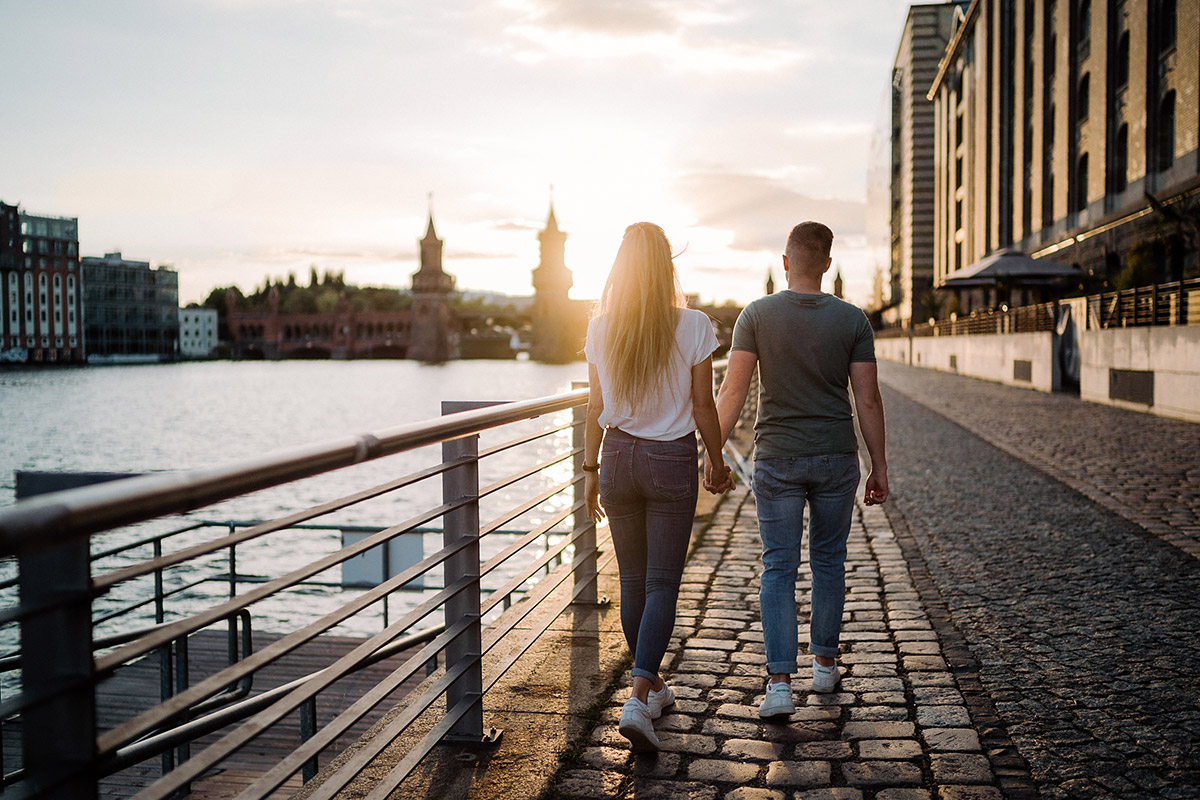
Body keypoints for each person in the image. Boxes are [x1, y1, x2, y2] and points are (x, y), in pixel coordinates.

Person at [712, 220, 888, 719]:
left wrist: (712, 454)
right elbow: (868, 399)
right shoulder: (853, 320)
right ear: (827, 266)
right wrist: (879, 465)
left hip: (778, 456)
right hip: (836, 456)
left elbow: (732, 392)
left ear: (785, 262)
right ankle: (826, 666)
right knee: (830, 562)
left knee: (779, 567)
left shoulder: (756, 315)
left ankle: (780, 685)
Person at [584, 222, 732, 752]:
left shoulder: (602, 328)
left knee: (632, 581)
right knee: (662, 584)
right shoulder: (693, 325)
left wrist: (589, 471)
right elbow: (702, 405)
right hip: (670, 460)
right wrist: (716, 461)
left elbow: (595, 409)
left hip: (617, 457)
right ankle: (638, 696)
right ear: (668, 264)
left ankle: (655, 686)